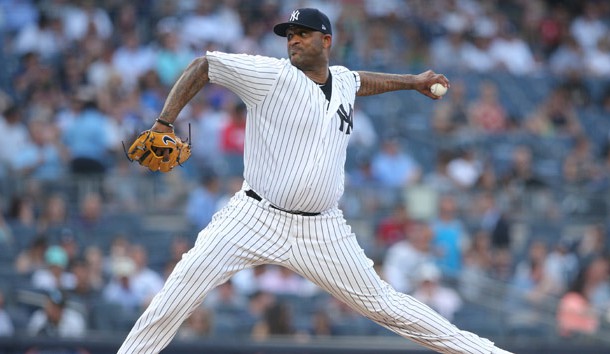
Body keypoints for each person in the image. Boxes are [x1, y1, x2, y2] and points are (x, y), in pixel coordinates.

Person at [118, 8, 513, 354]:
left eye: (302, 34)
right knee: (175, 297)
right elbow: (205, 66)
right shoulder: (271, 75)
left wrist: (412, 81)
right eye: (289, 35)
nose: (293, 41)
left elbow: (361, 81)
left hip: (321, 229)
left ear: (326, 40)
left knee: (383, 303)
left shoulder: (341, 81)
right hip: (252, 218)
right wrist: (163, 122)